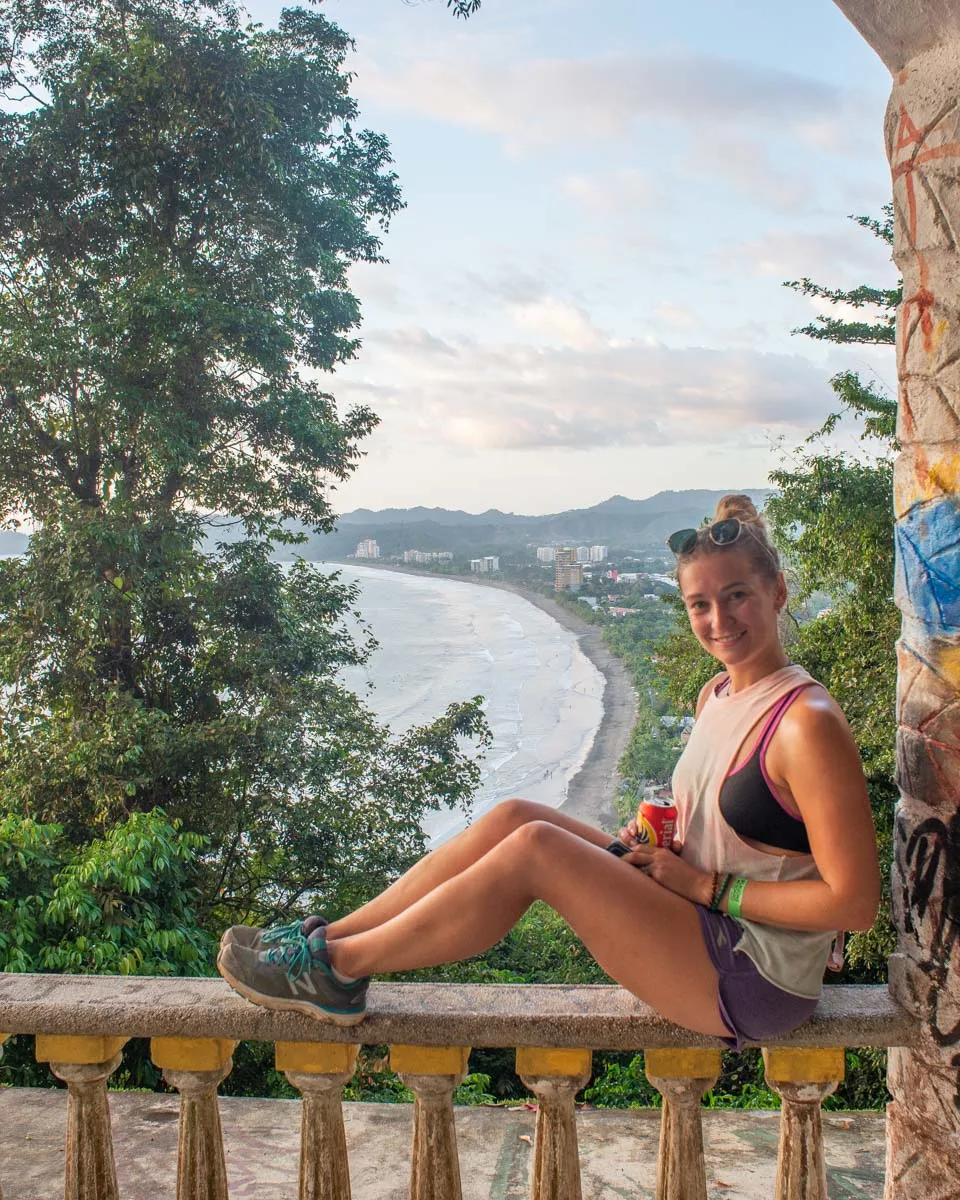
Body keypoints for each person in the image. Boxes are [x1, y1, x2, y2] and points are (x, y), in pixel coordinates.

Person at [217, 495, 881, 1048]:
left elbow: (853, 902)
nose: (718, 619)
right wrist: (667, 848)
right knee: (514, 817)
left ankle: (338, 971)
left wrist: (707, 886)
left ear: (778, 591)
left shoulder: (806, 722)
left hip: (753, 973)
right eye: (699, 605)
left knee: (536, 850)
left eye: (736, 596)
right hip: (695, 912)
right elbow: (737, 834)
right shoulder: (716, 695)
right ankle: (330, 941)